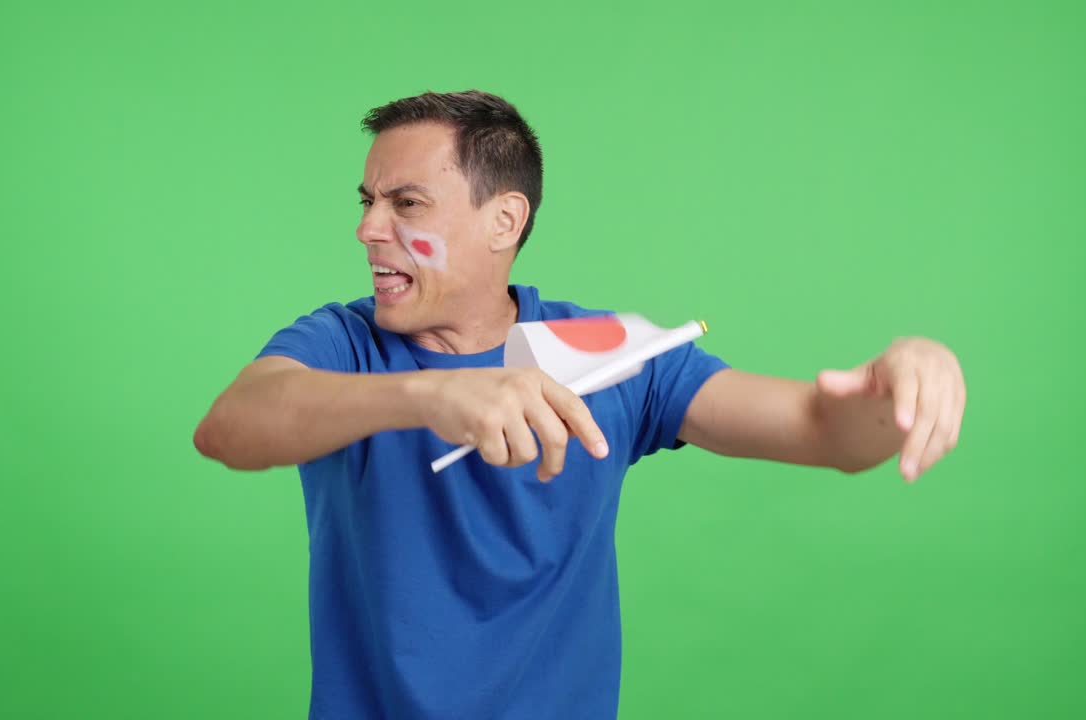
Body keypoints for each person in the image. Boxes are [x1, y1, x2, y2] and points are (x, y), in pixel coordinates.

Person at [193, 90, 967, 719]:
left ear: (505, 221)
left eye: (407, 204)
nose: (367, 229)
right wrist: (431, 393)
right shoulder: (343, 342)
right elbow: (231, 426)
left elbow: (826, 432)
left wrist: (906, 378)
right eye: (367, 201)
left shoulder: (606, 354)